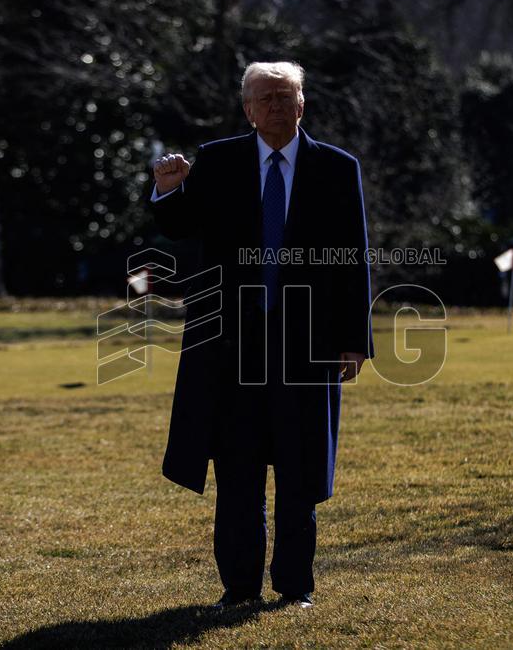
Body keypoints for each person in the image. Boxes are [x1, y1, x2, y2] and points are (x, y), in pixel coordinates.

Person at [148, 61, 374, 610]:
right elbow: (180, 228)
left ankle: (295, 587)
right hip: (232, 346)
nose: (275, 106)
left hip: (308, 343)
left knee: (300, 472)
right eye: (264, 98)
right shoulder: (219, 161)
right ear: (247, 109)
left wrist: (353, 338)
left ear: (303, 104)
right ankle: (239, 588)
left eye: (285, 96)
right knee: (237, 470)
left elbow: (353, 258)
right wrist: (167, 189)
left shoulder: (337, 168)